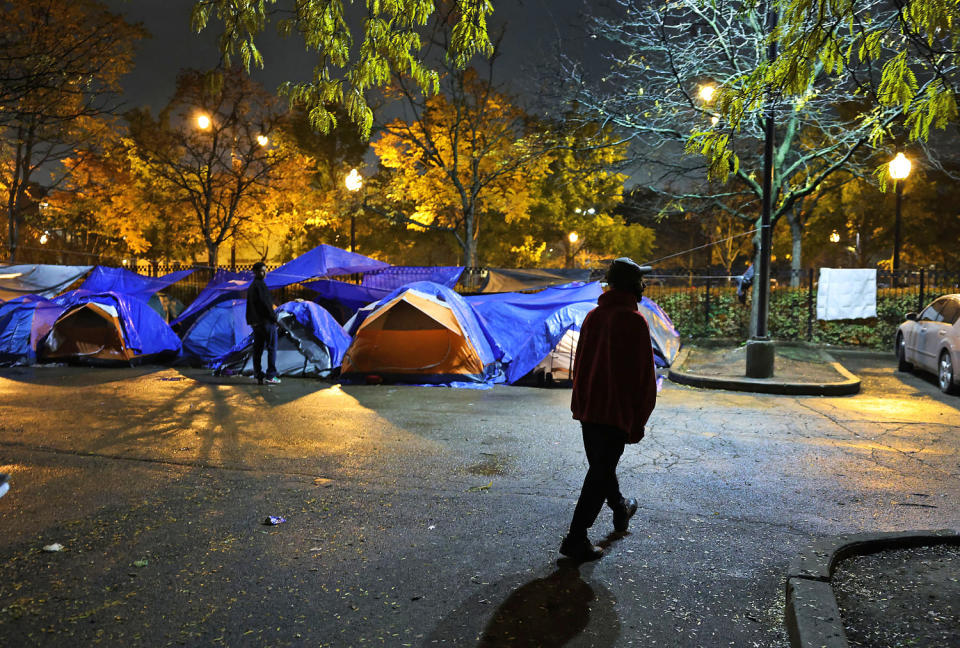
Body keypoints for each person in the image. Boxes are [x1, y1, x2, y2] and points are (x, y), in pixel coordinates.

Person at [561, 257, 659, 561]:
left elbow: (580, 367)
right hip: (616, 414)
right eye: (641, 280)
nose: (644, 285)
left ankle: (620, 510)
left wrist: (579, 405)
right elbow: (645, 378)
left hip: (590, 411)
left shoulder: (593, 317)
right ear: (632, 285)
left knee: (602, 468)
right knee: (601, 471)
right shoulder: (634, 321)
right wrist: (639, 420)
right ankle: (576, 537)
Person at [246, 261, 280, 385]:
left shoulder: (252, 286)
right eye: (262, 270)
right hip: (265, 322)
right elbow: (266, 305)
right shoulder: (260, 286)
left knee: (258, 349)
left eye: (265, 270)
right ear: (255, 272)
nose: (265, 272)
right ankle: (271, 375)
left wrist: (251, 321)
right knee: (272, 347)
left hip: (256, 323)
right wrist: (274, 318)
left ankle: (258, 374)